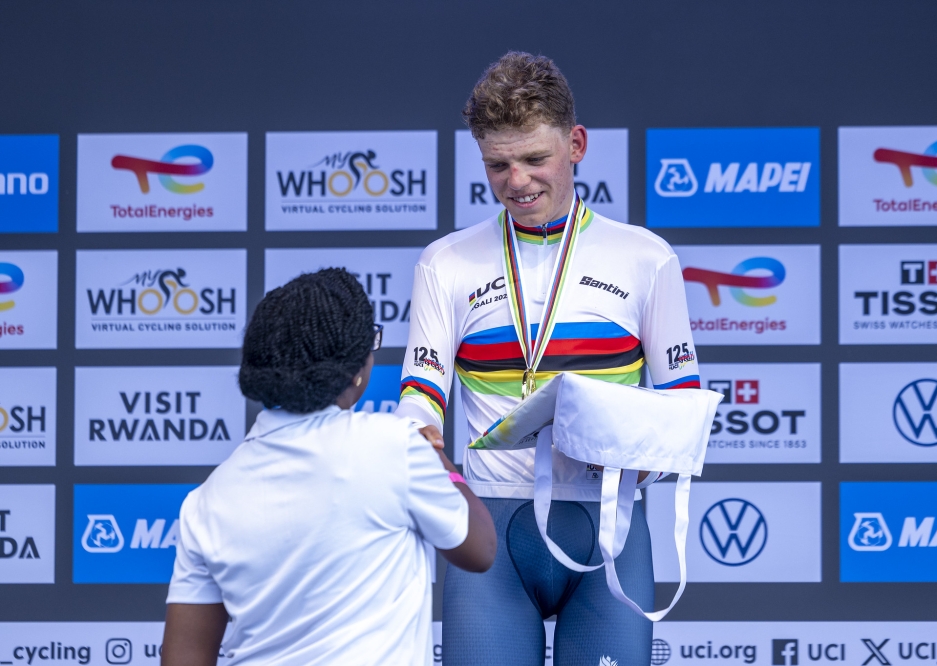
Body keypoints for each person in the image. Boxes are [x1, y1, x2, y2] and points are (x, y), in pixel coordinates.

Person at [395, 52, 701, 665]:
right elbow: (418, 404)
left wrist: (633, 462)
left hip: (608, 527)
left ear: (577, 144)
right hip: (493, 533)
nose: (517, 181)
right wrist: (446, 477)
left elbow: (683, 407)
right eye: (497, 164)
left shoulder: (646, 258)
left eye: (535, 159)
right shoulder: (446, 261)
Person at [161, 268, 496, 666]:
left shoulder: (206, 499)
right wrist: (441, 461)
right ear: (356, 370)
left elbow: (183, 658)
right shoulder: (393, 447)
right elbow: (479, 550)